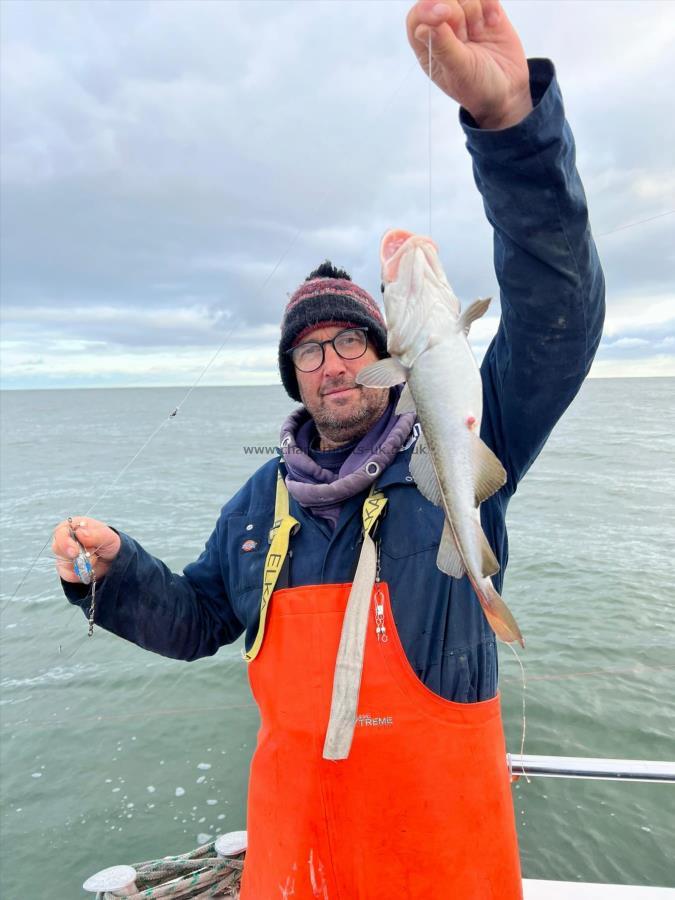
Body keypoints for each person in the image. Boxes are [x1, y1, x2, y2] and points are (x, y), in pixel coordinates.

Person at [53, 1, 605, 897]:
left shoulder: (455, 453)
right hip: (296, 857)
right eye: (309, 350)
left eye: (351, 341)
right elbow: (197, 621)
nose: (332, 363)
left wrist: (511, 130)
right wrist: (110, 575)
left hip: (442, 857)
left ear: (390, 356)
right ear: (293, 375)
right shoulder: (258, 505)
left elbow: (558, 318)